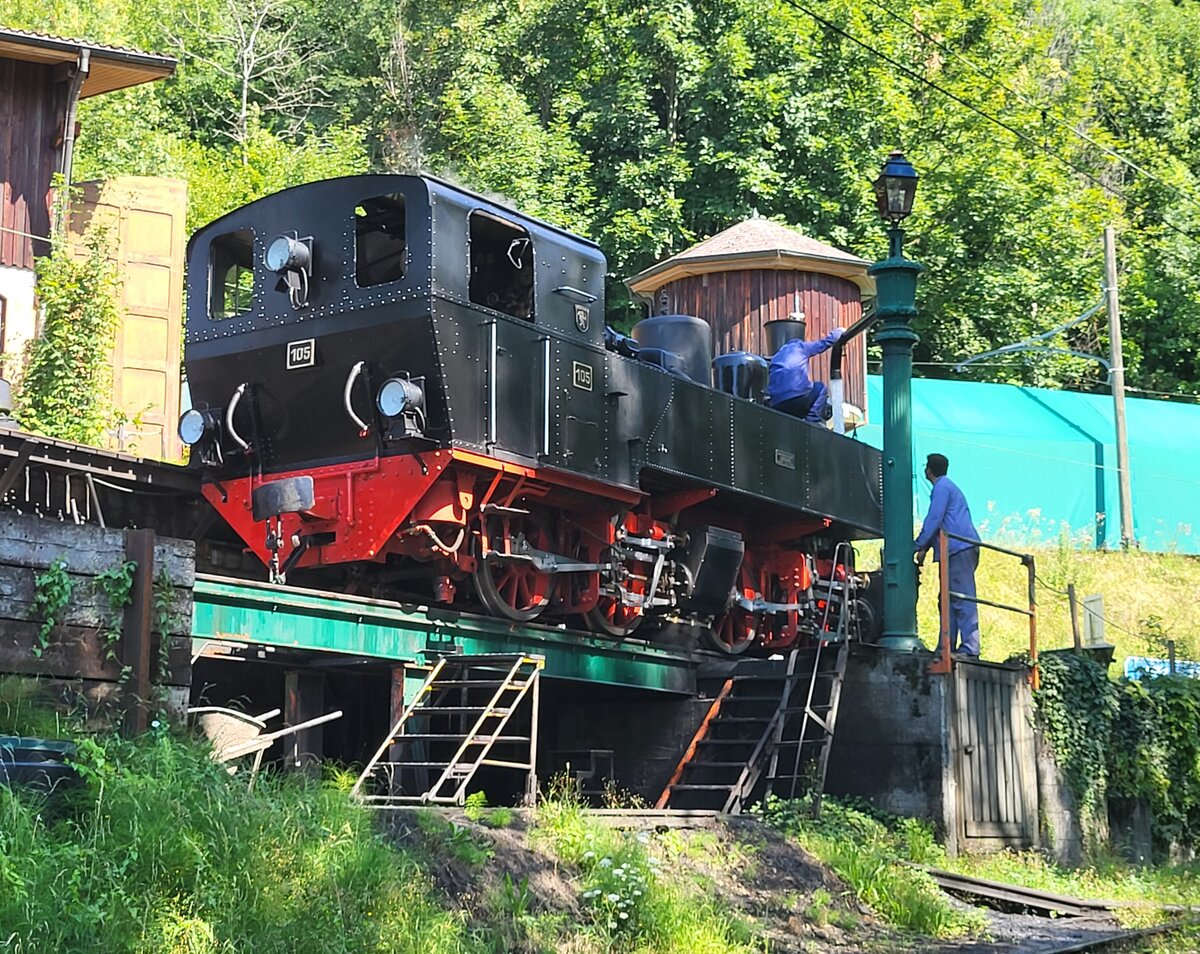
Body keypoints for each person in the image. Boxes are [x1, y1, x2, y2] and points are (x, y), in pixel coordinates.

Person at [915, 453, 982, 657]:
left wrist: (917, 544)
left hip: (958, 547)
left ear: (928, 470)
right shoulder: (948, 487)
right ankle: (946, 646)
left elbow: (935, 518)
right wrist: (925, 548)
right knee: (948, 598)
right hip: (955, 548)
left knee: (961, 596)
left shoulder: (942, 488)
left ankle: (970, 647)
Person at [767, 323, 845, 422]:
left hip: (777, 403)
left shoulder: (776, 357)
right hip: (798, 397)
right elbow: (825, 342)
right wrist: (840, 331)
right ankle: (813, 420)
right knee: (821, 387)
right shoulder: (800, 347)